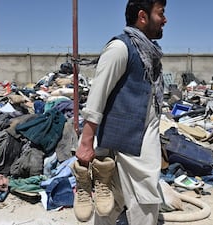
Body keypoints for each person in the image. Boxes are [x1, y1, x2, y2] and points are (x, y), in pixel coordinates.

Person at [71, 0, 167, 224]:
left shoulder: (148, 52)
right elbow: (97, 96)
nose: (165, 20)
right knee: (146, 204)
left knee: (115, 199)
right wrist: (86, 143)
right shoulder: (120, 48)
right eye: (160, 14)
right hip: (127, 142)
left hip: (141, 140)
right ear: (143, 17)